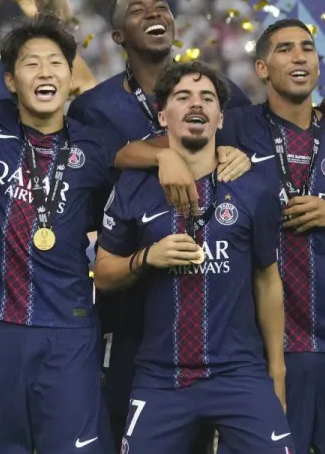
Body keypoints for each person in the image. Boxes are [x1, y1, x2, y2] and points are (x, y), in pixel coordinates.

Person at [67, 0, 254, 437]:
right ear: (117, 36)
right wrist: (162, 155)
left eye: (162, 6)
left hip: (210, 298)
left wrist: (240, 156)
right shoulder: (96, 107)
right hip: (131, 298)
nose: (154, 13)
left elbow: (247, 164)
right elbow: (108, 163)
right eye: (137, 10)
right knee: (129, 426)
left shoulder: (220, 96)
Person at [94, 60, 290, 452]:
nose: (195, 104)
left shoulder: (254, 189)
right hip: (161, 376)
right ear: (163, 116)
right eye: (183, 97)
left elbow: (268, 281)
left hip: (240, 374)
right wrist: (146, 257)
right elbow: (102, 274)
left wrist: (277, 374)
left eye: (207, 98)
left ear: (220, 118)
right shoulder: (135, 186)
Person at [0, 15, 120, 454]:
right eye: (31, 64)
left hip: (70, 329)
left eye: (55, 63)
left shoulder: (96, 147)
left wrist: (167, 159)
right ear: (9, 80)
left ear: (70, 76)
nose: (45, 72)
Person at [221, 18, 325, 453]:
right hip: (261, 348)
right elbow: (176, 140)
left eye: (307, 49)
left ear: (317, 65)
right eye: (285, 49)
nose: (299, 56)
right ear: (261, 68)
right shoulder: (235, 128)